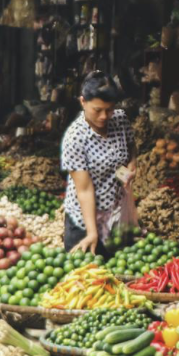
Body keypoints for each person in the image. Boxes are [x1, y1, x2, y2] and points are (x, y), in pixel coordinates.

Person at [61, 74, 129, 256]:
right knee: (84, 278)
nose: (104, 116)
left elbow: (130, 149)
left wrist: (131, 169)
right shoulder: (75, 138)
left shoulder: (121, 120)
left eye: (110, 109)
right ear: (83, 102)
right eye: (97, 110)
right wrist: (92, 233)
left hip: (115, 220)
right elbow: (84, 189)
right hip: (84, 223)